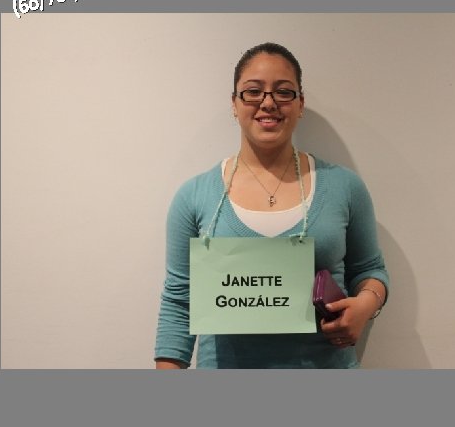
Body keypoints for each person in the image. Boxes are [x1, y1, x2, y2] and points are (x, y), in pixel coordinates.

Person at [154, 42, 389, 368]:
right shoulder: (194, 196)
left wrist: (366, 304)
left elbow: (370, 270)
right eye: (253, 92)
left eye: (283, 92)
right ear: (234, 104)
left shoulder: (344, 187)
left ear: (300, 104)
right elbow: (180, 299)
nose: (268, 103)